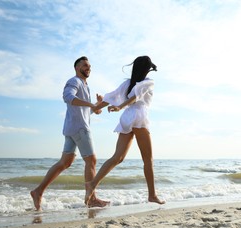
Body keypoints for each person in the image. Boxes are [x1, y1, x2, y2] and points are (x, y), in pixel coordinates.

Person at [30, 56, 109, 211]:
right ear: (76, 67)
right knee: (91, 161)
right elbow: (68, 97)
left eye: (90, 66)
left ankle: (38, 191)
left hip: (72, 127)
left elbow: (89, 111)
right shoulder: (74, 81)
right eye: (85, 65)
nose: (88, 68)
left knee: (65, 163)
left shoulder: (85, 85)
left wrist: (97, 105)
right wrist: (90, 104)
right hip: (80, 128)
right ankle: (92, 198)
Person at [85, 56, 165, 205]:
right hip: (139, 116)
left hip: (127, 117)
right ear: (147, 69)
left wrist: (97, 106)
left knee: (117, 157)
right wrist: (119, 106)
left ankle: (92, 183)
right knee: (148, 160)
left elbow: (113, 96)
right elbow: (136, 97)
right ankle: (152, 195)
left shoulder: (128, 82)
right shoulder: (148, 82)